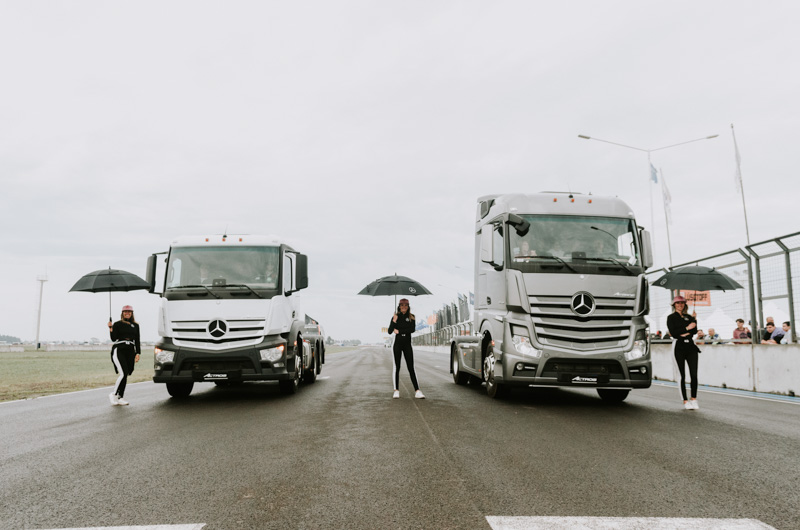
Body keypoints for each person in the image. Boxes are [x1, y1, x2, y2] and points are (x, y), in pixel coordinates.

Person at [666, 295, 700, 410]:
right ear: (674, 305)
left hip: (690, 346)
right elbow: (673, 333)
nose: (680, 305)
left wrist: (694, 320)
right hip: (678, 347)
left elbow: (694, 331)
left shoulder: (689, 317)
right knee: (682, 375)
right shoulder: (671, 317)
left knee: (694, 374)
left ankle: (694, 399)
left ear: (685, 304)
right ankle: (685, 400)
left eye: (682, 303)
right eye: (677, 303)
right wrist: (686, 328)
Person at [387, 298, 424, 399]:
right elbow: (390, 331)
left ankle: (417, 391)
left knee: (411, 367)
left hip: (407, 344)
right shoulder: (395, 317)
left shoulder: (412, 317)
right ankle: (396, 390)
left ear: (408, 307)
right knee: (397, 367)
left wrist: (399, 330)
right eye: (402, 305)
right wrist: (394, 321)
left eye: (406, 305)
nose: (404, 307)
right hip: (397, 344)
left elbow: (411, 329)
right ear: (399, 306)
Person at [107, 305, 141, 406]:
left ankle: (120, 397)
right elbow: (114, 338)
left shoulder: (135, 325)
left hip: (130, 350)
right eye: (125, 312)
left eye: (129, 312)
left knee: (126, 374)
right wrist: (110, 328)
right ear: (122, 313)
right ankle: (113, 394)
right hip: (119, 349)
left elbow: (137, 340)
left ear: (132, 313)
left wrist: (138, 353)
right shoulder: (117, 324)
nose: (127, 313)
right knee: (123, 373)